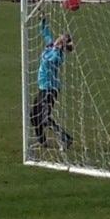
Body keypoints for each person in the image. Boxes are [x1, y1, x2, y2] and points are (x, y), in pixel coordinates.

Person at [28, 18, 74, 150]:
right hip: (43, 88)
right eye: (61, 36)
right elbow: (45, 32)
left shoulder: (58, 55)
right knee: (34, 115)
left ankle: (66, 138)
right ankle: (42, 142)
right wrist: (42, 19)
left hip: (50, 89)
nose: (59, 38)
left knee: (44, 117)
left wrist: (57, 48)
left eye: (63, 38)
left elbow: (52, 60)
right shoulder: (50, 44)